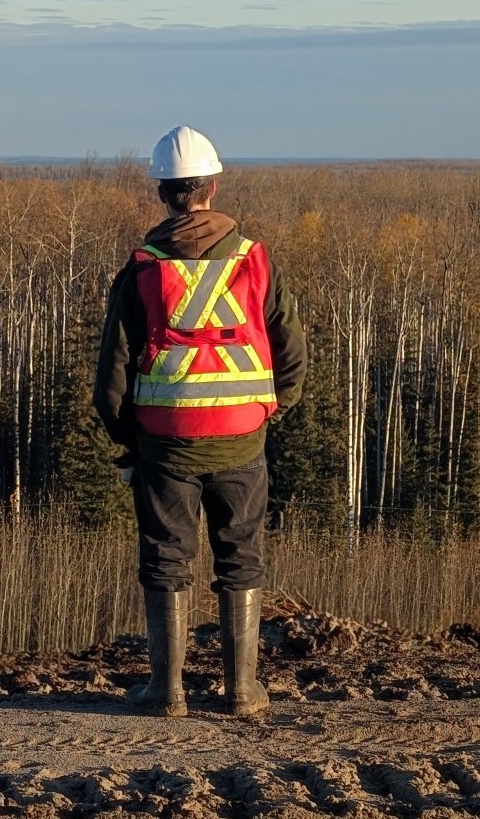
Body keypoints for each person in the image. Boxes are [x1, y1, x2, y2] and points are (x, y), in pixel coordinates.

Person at [93, 126, 307, 717]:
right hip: (243, 438)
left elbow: (111, 374)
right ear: (212, 186)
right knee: (241, 555)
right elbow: (290, 350)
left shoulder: (144, 268)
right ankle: (241, 691)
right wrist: (269, 408)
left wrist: (128, 438)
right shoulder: (254, 259)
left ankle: (167, 692)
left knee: (166, 556)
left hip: (164, 442)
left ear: (164, 192)